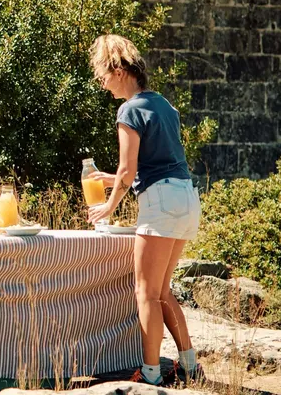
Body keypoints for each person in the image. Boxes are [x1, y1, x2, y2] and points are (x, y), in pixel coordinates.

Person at [87, 34, 203, 386]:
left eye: (103, 75)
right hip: (186, 197)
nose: (103, 84)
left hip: (161, 202)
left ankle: (150, 374)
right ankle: (189, 365)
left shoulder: (129, 110)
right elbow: (157, 161)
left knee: (146, 293)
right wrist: (114, 180)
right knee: (163, 291)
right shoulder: (164, 105)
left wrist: (108, 205)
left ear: (119, 70)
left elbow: (128, 169)